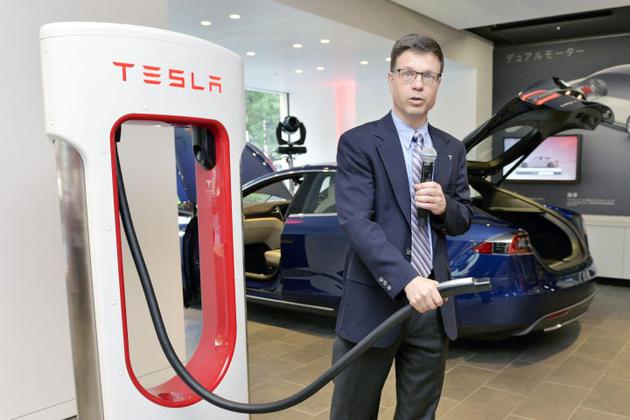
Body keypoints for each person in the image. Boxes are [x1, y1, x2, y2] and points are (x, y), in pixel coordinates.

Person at [331, 34, 473, 419]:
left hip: (431, 308)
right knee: (353, 412)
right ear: (391, 78)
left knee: (419, 413)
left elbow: (463, 218)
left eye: (429, 76)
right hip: (374, 304)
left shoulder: (451, 149)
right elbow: (357, 222)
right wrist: (408, 279)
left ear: (438, 83)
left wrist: (445, 207)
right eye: (408, 73)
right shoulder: (359, 143)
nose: (418, 84)